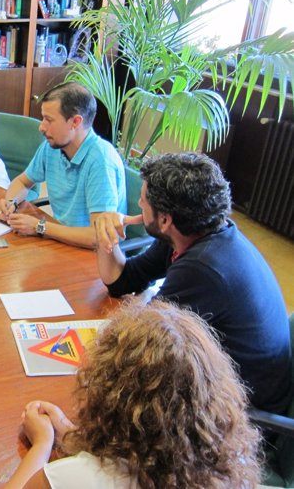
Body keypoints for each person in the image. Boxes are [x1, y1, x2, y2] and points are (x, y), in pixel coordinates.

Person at [94, 152, 293, 415]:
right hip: (221, 379)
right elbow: (122, 281)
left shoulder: (204, 268)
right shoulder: (192, 233)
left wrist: (141, 302)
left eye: (142, 203)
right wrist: (105, 236)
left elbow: (139, 340)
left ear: (165, 220)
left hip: (242, 411)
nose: (138, 209)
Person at [4, 300, 262, 489]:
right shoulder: (227, 469)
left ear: (110, 396)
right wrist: (69, 434)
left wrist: (42, 443)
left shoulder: (75, 479)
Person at [0, 82, 126, 249]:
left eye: (49, 120)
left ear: (75, 122)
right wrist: (10, 202)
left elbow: (98, 236)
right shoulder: (53, 146)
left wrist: (39, 227)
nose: (41, 127)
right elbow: (22, 182)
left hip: (90, 256)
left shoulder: (101, 161)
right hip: (60, 242)